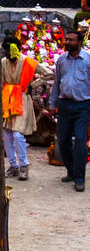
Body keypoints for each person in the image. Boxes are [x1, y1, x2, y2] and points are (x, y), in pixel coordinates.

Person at [1, 31, 51, 180]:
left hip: (23, 99)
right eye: (6, 51)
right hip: (7, 99)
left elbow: (48, 74)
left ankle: (24, 165)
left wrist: (33, 85)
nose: (9, 54)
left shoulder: (28, 61)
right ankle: (13, 166)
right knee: (6, 134)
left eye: (11, 50)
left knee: (17, 134)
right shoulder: (3, 62)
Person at [50, 28, 90, 192]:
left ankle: (79, 178)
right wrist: (53, 103)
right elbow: (57, 82)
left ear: (79, 42)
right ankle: (71, 172)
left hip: (83, 106)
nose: (67, 42)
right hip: (65, 105)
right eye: (67, 39)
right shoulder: (61, 60)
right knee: (63, 141)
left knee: (80, 141)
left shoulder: (88, 60)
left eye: (71, 40)